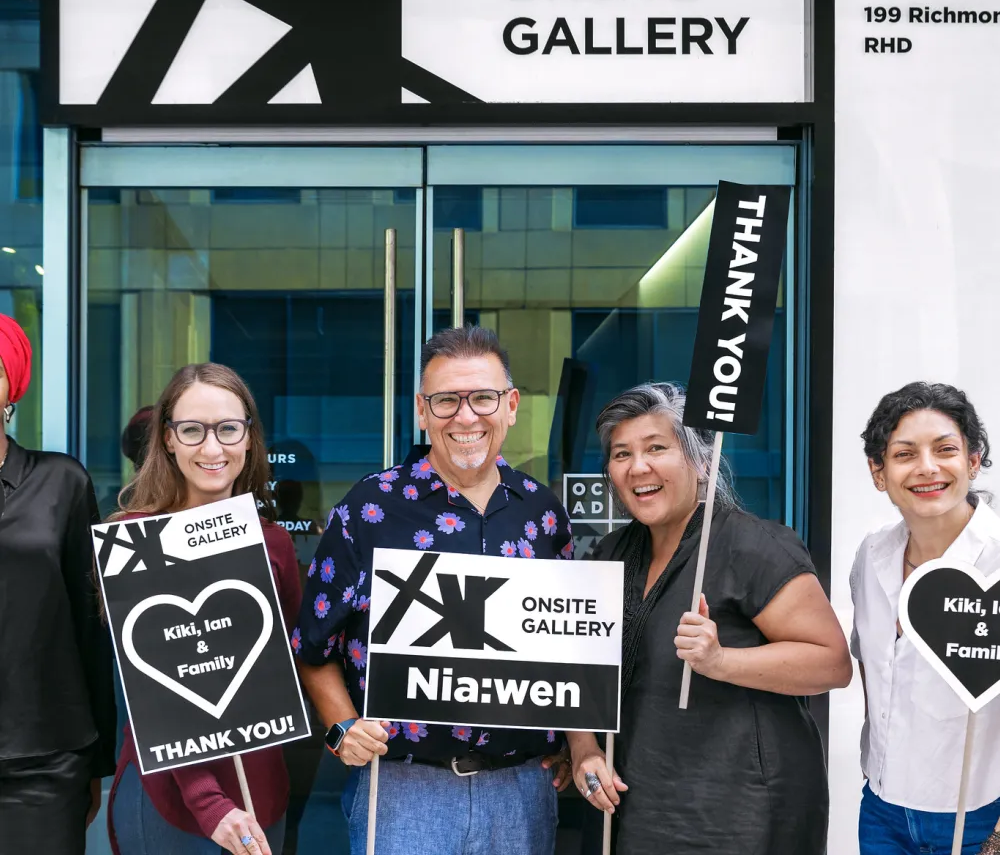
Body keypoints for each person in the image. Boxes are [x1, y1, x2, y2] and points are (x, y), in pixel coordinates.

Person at [296, 325, 574, 855]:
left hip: (520, 790)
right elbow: (312, 646)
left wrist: (575, 741)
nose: (466, 417)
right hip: (404, 790)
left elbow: (569, 650)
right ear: (423, 412)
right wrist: (340, 730)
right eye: (446, 400)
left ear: (511, 405)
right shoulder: (369, 508)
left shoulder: (542, 512)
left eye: (483, 398)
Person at [568, 382, 851, 855]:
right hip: (637, 810)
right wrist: (583, 749)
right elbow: (578, 667)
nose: (638, 466)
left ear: (701, 461)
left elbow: (832, 663)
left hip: (743, 816)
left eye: (657, 447)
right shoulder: (609, 555)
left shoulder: (755, 546)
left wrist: (722, 661)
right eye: (621, 454)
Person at [108, 363, 301, 855]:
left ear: (249, 438)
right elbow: (154, 692)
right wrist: (208, 801)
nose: (212, 448)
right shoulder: (137, 542)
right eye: (192, 430)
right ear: (168, 439)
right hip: (169, 800)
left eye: (227, 429)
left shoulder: (274, 543)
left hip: (261, 796)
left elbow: (290, 664)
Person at [852, 382, 1000, 855]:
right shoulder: (872, 554)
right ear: (879, 472)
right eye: (904, 454)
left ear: (973, 461)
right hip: (881, 810)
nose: (927, 468)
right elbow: (871, 670)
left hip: (978, 817)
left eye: (946, 449)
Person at [0, 312, 117, 853]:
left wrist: (99, 759)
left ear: (12, 387)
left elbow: (90, 626)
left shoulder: (61, 481)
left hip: (45, 759)